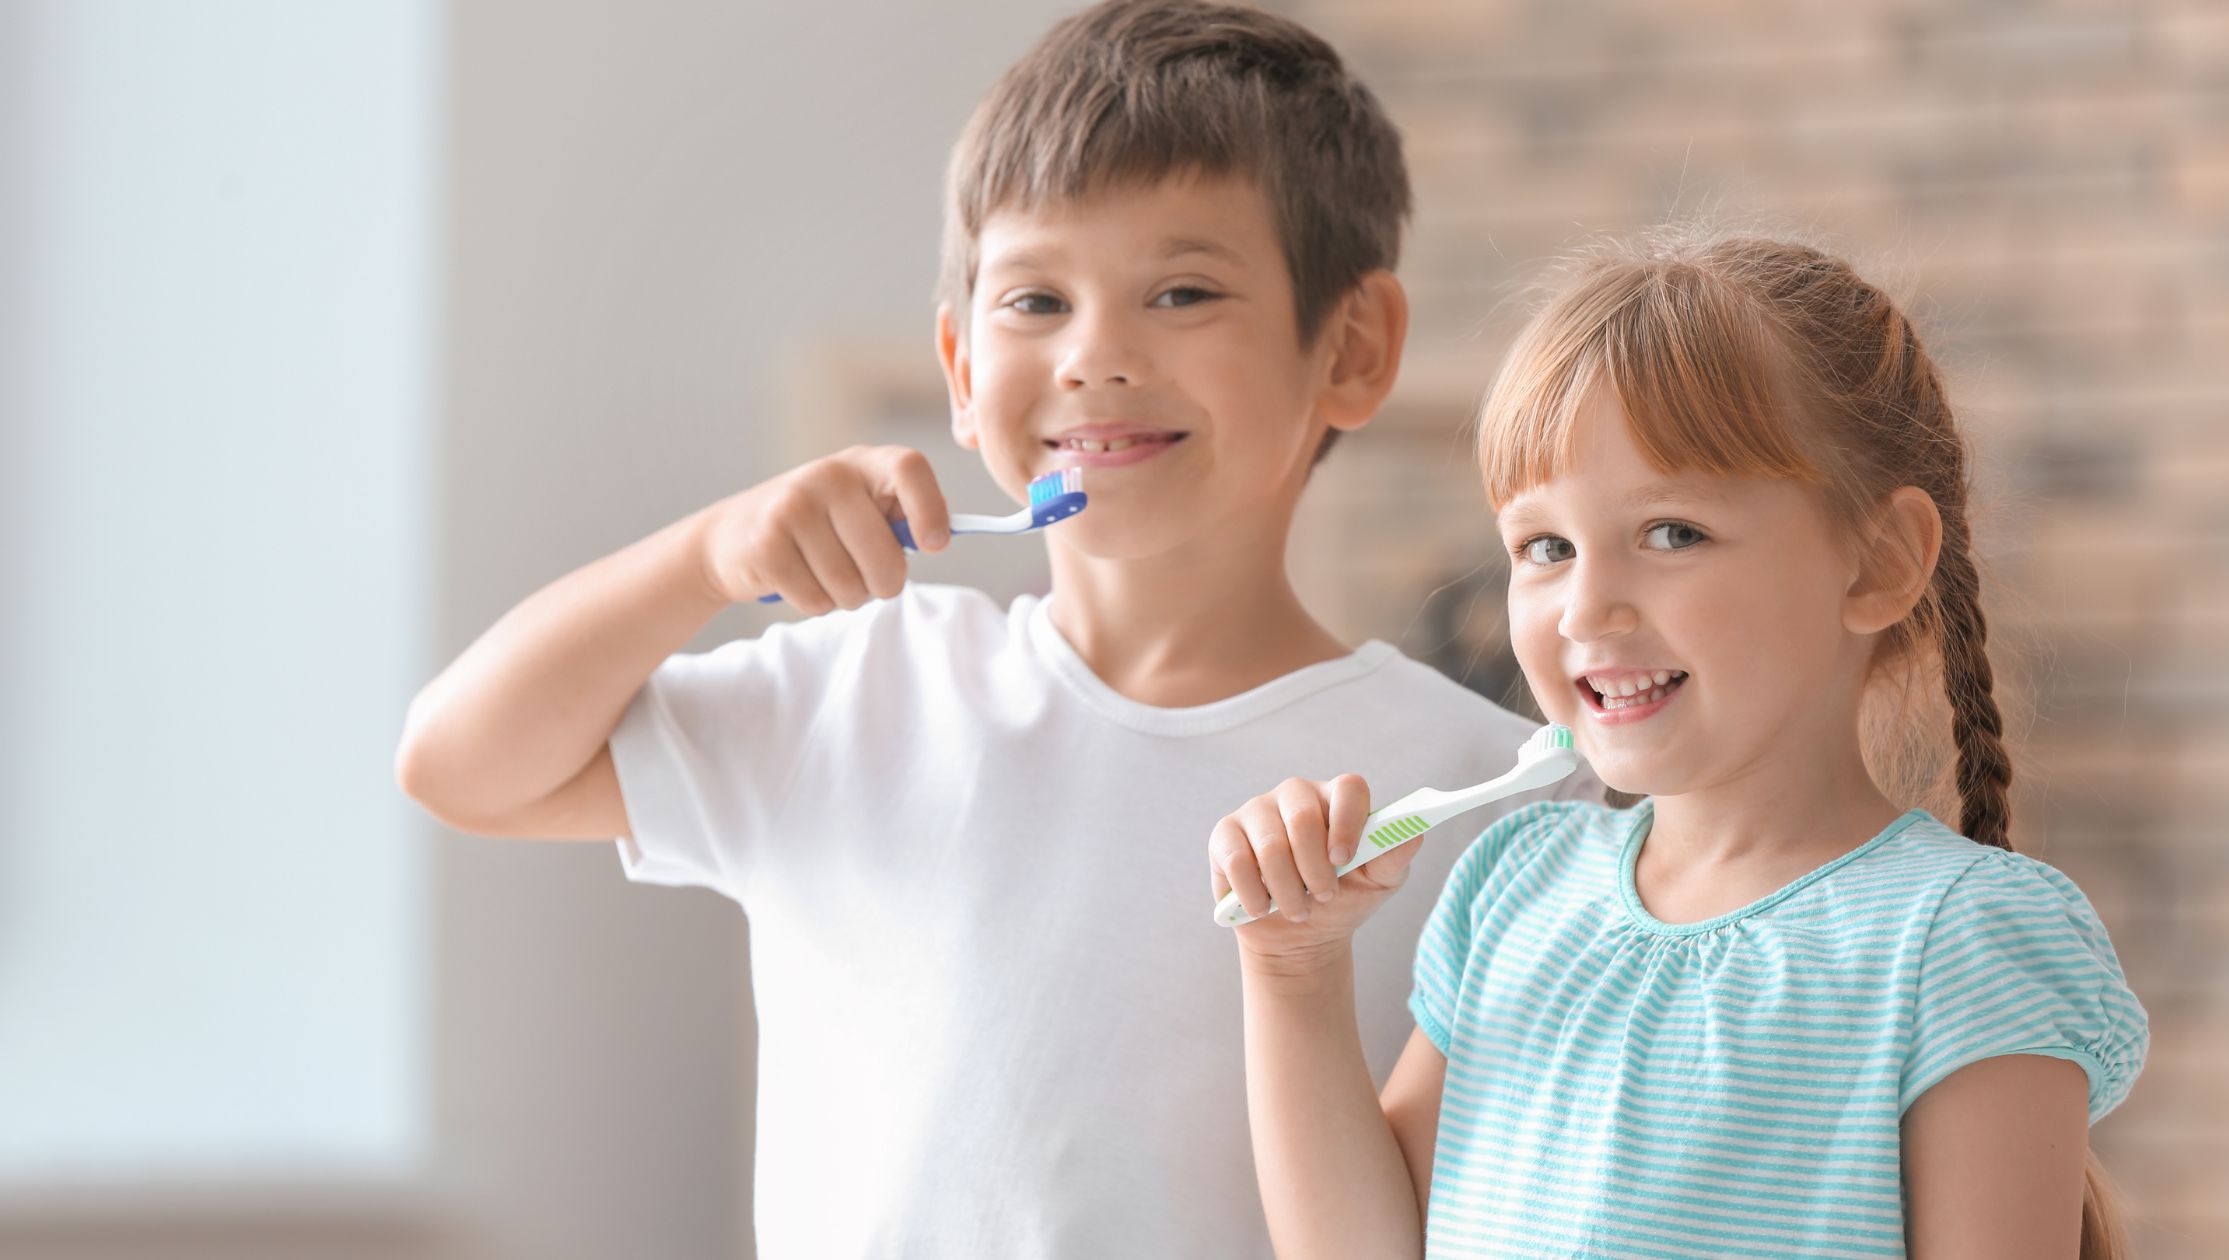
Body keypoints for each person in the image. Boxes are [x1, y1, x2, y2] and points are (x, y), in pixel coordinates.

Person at [395, 3, 1599, 1255]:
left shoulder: (1481, 795)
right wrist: (699, 559)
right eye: (1034, 301)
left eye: (1180, 290)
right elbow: (459, 764)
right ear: (961, 370)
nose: (1093, 354)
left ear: (1351, 347)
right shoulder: (857, 690)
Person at [1214, 231, 2149, 1259]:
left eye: (1670, 533)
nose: (1584, 607)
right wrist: (1292, 973)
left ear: (1876, 563)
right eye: (1544, 548)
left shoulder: (1961, 940)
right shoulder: (1507, 892)